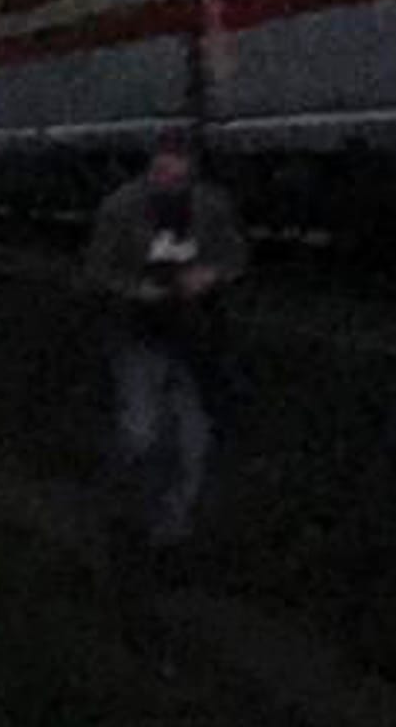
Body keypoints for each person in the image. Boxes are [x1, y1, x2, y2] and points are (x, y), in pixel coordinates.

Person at [85, 125, 246, 559]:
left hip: (194, 336)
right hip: (139, 332)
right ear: (152, 170)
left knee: (194, 437)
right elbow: (98, 269)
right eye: (164, 176)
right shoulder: (121, 208)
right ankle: (126, 509)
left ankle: (170, 528)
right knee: (141, 431)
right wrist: (137, 289)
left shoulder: (210, 205)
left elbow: (235, 256)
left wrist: (210, 274)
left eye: (180, 178)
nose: (172, 184)